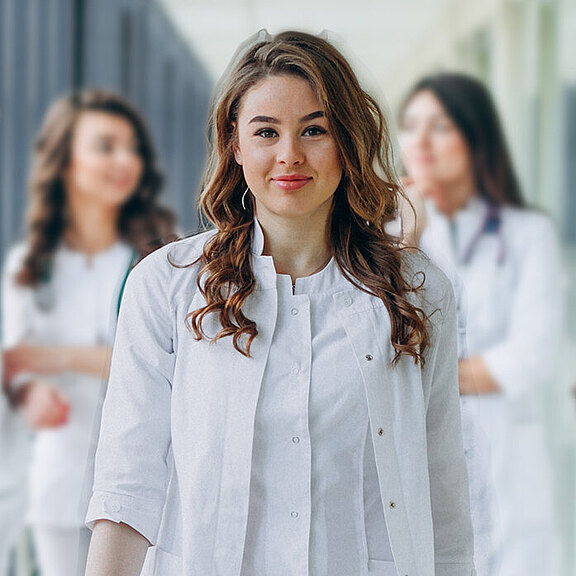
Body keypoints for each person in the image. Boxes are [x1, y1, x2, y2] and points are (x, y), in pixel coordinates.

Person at [84, 31, 476, 576]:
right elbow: (127, 487)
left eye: (314, 129)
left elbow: (441, 490)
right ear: (236, 144)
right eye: (266, 131)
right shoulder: (165, 286)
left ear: (347, 142)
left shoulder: (416, 291)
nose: (289, 154)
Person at [1, 89, 175, 576]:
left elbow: (159, 363)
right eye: (105, 146)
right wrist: (32, 390)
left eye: (132, 148)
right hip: (60, 478)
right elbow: (15, 364)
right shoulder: (31, 266)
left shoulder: (163, 262)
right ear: (65, 162)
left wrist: (53, 358)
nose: (125, 161)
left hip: (148, 490)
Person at [398, 73, 562, 576]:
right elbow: (379, 346)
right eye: (410, 126)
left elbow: (532, 355)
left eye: (440, 126)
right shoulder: (384, 243)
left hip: (507, 456)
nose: (420, 142)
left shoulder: (526, 234)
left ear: (475, 135)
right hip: (419, 462)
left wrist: (430, 378)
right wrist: (408, 239)